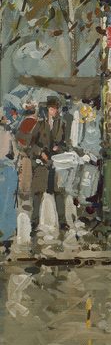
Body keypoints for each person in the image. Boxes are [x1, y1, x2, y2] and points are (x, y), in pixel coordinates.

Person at [27, 95, 70, 238]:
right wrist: (40, 154)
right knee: (38, 194)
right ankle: (34, 223)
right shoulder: (39, 124)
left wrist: (60, 148)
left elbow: (66, 144)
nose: (54, 111)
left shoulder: (61, 124)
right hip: (41, 165)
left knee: (59, 193)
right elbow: (30, 145)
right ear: (48, 109)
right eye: (52, 108)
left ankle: (63, 222)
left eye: (56, 108)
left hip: (56, 163)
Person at [69, 93, 103, 221]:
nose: (88, 106)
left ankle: (86, 203)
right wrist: (80, 148)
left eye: (90, 103)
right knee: (86, 179)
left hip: (93, 153)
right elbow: (80, 134)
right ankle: (84, 203)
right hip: (88, 153)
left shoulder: (97, 117)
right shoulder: (85, 116)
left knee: (89, 180)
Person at [14, 99, 39, 208]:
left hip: (26, 150)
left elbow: (19, 136)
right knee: (27, 172)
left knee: (25, 173)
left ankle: (25, 195)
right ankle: (25, 194)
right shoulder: (34, 121)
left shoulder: (27, 121)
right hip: (29, 150)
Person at [0, 114, 17, 255]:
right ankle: (6, 238)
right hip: (7, 169)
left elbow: (13, 154)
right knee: (7, 203)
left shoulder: (8, 133)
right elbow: (13, 154)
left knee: (6, 203)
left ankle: (6, 238)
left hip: (7, 170)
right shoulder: (8, 133)